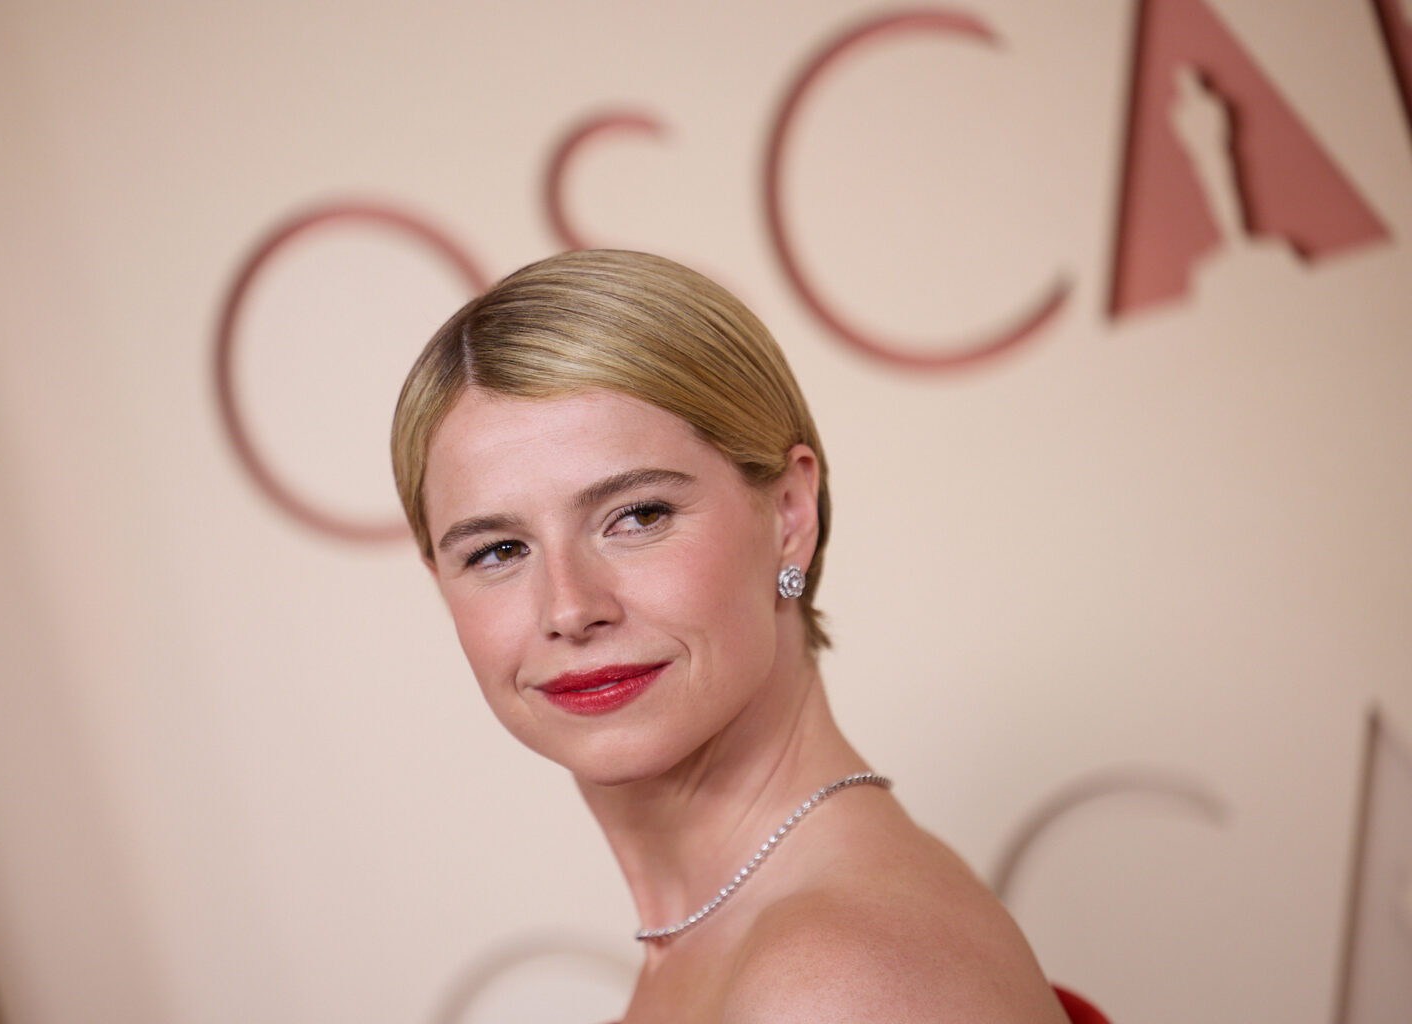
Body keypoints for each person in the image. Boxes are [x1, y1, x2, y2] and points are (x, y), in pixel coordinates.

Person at [391, 250, 1078, 1022]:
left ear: (789, 514)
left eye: (639, 515)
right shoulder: (747, 933)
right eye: (498, 551)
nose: (570, 607)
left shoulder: (837, 980)